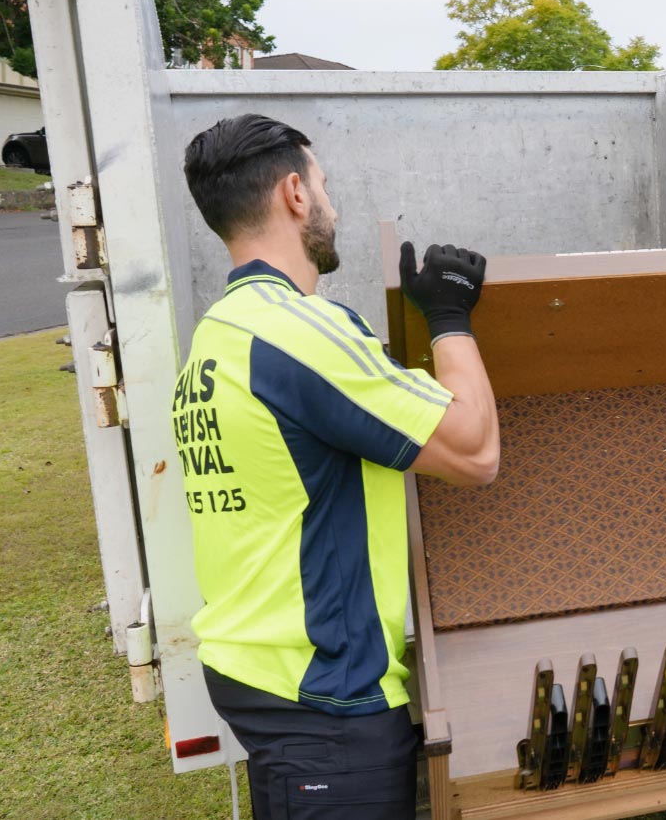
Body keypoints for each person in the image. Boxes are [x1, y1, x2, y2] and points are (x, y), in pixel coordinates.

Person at [172, 113, 501, 819]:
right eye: (324, 185)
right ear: (294, 194)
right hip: (321, 693)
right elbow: (474, 452)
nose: (332, 204)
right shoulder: (300, 332)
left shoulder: (218, 336)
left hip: (257, 664)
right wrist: (448, 318)